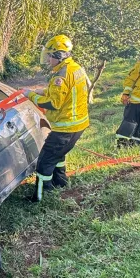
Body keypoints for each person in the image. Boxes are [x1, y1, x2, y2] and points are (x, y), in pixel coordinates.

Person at [27, 34, 91, 202]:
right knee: (58, 156)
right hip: (78, 125)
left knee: (44, 162)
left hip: (65, 128)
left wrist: (31, 96)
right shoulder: (74, 68)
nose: (48, 60)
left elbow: (53, 103)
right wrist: (42, 91)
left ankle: (40, 197)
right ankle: (61, 183)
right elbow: (65, 93)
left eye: (50, 56)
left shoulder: (60, 76)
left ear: (59, 55)